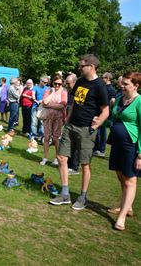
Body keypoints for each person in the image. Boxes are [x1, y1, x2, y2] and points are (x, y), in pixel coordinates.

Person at [50, 54, 109, 210]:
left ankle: (82, 197)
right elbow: (74, 104)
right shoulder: (80, 82)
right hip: (71, 125)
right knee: (62, 157)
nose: (80, 69)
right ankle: (64, 194)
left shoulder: (100, 86)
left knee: (85, 164)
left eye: (82, 66)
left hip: (86, 129)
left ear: (92, 66)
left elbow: (106, 111)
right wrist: (67, 121)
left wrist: (95, 126)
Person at [107, 71, 141, 231]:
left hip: (131, 145)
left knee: (130, 179)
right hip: (117, 144)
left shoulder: (139, 101)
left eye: (126, 84)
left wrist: (140, 154)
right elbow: (113, 118)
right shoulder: (120, 98)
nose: (122, 86)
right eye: (123, 83)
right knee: (120, 176)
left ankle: (121, 218)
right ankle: (126, 207)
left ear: (136, 85)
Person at [39, 75, 67, 166]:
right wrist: (52, 93)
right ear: (53, 83)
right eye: (56, 83)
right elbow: (45, 102)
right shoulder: (48, 90)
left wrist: (49, 105)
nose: (57, 86)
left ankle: (56, 158)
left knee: (56, 138)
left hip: (58, 118)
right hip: (47, 117)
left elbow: (62, 105)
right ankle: (45, 157)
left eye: (59, 84)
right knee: (46, 137)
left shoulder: (64, 92)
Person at [93, 72, 116, 157]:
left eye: (103, 77)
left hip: (105, 113)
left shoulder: (111, 89)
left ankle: (101, 149)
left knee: (102, 131)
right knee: (98, 130)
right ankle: (96, 148)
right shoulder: (104, 87)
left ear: (108, 78)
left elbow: (110, 102)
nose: (102, 79)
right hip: (99, 111)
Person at [65, 73, 80, 175]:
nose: (67, 85)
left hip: (77, 121)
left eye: (68, 83)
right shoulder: (70, 91)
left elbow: (77, 106)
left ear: (74, 82)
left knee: (76, 145)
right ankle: (69, 164)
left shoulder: (79, 91)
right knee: (70, 143)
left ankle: (74, 167)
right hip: (70, 119)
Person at [31, 76, 50, 140]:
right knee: (34, 122)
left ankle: (41, 135)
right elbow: (33, 95)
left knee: (42, 123)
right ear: (40, 81)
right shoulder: (35, 88)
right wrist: (36, 100)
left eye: (46, 82)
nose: (45, 84)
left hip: (43, 107)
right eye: (44, 82)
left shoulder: (47, 88)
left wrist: (42, 101)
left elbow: (49, 97)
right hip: (35, 106)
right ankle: (33, 135)